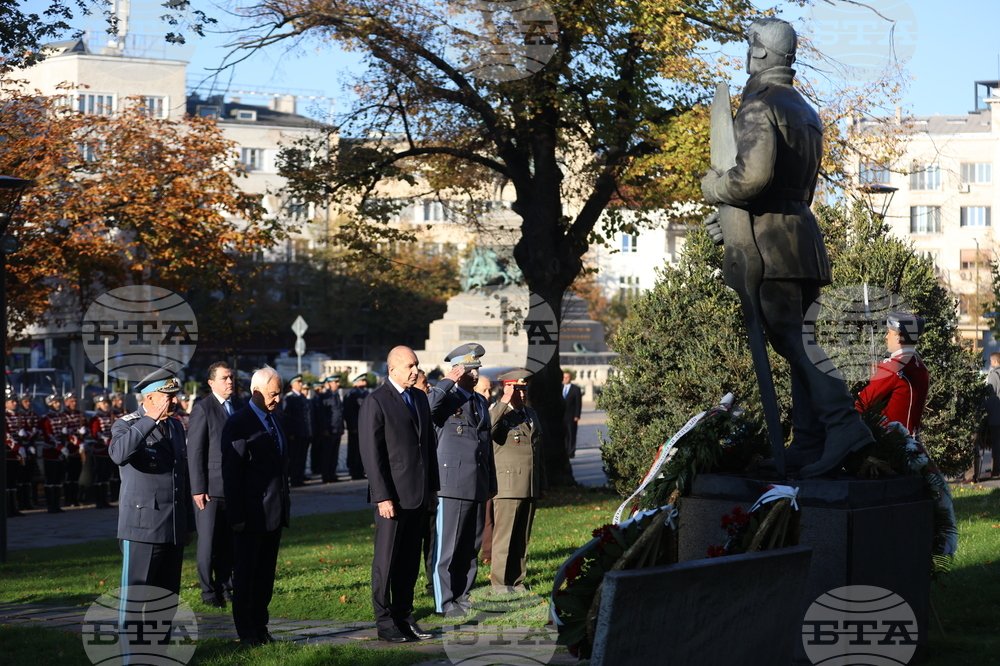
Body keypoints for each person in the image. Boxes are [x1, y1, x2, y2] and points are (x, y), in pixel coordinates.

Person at [700, 17, 873, 477]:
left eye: (748, 46)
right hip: (802, 238)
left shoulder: (759, 106)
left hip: (772, 245)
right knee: (804, 341)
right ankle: (812, 440)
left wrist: (717, 190)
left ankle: (843, 425)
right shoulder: (805, 109)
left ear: (758, 52)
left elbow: (753, 178)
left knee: (793, 341)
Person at [359, 346, 438, 643]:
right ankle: (384, 621)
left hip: (418, 495)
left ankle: (405, 617)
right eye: (409, 365)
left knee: (408, 562)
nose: (415, 370)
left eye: (416, 364)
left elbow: (427, 446)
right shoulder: (376, 402)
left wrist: (433, 488)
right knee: (387, 560)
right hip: (391, 498)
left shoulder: (418, 397)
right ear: (392, 369)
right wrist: (382, 496)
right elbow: (371, 454)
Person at [221, 366, 291, 647]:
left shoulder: (274, 420)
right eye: (273, 394)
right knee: (247, 576)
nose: (277, 400)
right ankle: (246, 631)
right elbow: (232, 472)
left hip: (273, 513)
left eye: (279, 394)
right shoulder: (239, 422)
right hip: (250, 514)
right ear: (256, 392)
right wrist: (236, 515)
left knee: (264, 577)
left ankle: (261, 626)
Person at [109, 370, 194, 599]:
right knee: (136, 598)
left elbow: (181, 476)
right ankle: (131, 637)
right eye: (168, 396)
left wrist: (188, 524)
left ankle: (160, 637)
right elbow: (118, 454)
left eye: (175, 395)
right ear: (149, 399)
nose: (174, 401)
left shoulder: (175, 426)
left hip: (172, 526)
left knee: (166, 599)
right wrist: (149, 420)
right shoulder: (126, 425)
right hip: (142, 528)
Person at [428, 343, 496, 617]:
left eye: (476, 367)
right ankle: (444, 602)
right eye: (469, 368)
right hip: (452, 483)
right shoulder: (446, 397)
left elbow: (485, 444)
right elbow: (429, 407)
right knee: (448, 549)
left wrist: (490, 483)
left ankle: (462, 595)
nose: (475, 372)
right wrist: (448, 381)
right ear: (458, 369)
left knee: (470, 546)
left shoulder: (479, 401)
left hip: (477, 483)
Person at [187, 361, 237, 608]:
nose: (230, 382)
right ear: (211, 382)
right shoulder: (203, 408)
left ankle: (226, 586)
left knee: (227, 542)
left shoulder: (234, 407)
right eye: (225, 378)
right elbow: (195, 451)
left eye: (231, 378)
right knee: (207, 543)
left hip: (230, 488)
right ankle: (208, 591)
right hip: (209, 490)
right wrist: (197, 488)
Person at [488, 369, 543, 593]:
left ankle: (517, 581)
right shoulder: (498, 412)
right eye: (517, 389)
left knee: (521, 538)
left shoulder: (530, 413)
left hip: (529, 484)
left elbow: (537, 448)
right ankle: (499, 585)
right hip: (508, 486)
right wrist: (503, 402)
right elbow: (488, 428)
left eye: (524, 389)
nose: (522, 394)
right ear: (507, 388)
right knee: (504, 539)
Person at [856, 313, 929, 436]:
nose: (886, 337)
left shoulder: (893, 367)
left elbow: (863, 403)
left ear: (898, 337)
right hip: (913, 442)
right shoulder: (920, 366)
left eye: (889, 332)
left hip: (892, 443)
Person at [282, 375, 312, 486]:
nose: (301, 384)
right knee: (295, 457)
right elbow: (286, 417)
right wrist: (290, 433)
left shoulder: (302, 397)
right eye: (298, 382)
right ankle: (295, 479)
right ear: (292, 384)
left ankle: (300, 476)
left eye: (301, 382)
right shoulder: (289, 398)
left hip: (304, 432)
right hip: (295, 433)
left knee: (302, 457)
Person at [39, 394, 67, 513]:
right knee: (50, 479)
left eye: (59, 402)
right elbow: (48, 435)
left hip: (60, 453)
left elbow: (64, 434)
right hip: (51, 452)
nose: (58, 404)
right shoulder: (46, 418)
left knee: (58, 479)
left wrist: (66, 438)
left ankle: (57, 504)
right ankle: (50, 505)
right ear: (50, 404)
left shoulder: (62, 417)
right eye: (55, 402)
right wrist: (60, 447)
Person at [314, 375, 345, 483]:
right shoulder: (325, 396)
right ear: (329, 383)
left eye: (337, 382)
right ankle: (326, 475)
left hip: (337, 429)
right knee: (327, 454)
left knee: (334, 454)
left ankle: (332, 474)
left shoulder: (337, 395)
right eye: (335, 382)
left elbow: (340, 413)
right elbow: (322, 415)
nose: (337, 384)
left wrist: (342, 427)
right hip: (329, 430)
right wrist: (325, 429)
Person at [87, 395, 116, 509]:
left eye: (107, 403)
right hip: (100, 450)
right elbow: (95, 433)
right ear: (98, 405)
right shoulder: (95, 418)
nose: (107, 405)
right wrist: (104, 439)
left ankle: (105, 500)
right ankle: (99, 500)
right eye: (104, 403)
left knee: (106, 476)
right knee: (99, 476)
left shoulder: (111, 417)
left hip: (109, 450)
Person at [61, 393, 87, 507]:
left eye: (75, 401)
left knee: (76, 476)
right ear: (66, 402)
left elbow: (87, 429)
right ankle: (68, 499)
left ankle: (75, 499)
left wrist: (85, 431)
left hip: (78, 450)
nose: (74, 403)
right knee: (68, 477)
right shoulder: (63, 415)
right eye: (71, 401)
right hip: (67, 449)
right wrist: (77, 440)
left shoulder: (80, 415)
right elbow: (64, 433)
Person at [344, 373, 370, 480]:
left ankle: (360, 470)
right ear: (357, 382)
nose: (365, 382)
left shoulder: (365, 393)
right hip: (355, 428)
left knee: (362, 450)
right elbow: (348, 412)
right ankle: (354, 471)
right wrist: (352, 426)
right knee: (354, 450)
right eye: (362, 380)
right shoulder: (352, 394)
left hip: (364, 427)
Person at [5, 388, 25, 516]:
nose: (15, 403)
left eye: (15, 401)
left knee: (13, 482)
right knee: (7, 483)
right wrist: (17, 448)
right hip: (7, 453)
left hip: (16, 454)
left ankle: (14, 508)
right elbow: (6, 436)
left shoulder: (18, 416)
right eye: (12, 401)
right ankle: (7, 509)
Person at [561, 371, 582, 458]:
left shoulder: (575, 389)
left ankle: (571, 452)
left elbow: (578, 403)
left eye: (567, 377)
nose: (565, 379)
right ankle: (564, 451)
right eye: (564, 377)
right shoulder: (559, 387)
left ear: (570, 378)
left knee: (571, 434)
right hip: (561, 416)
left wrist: (577, 415)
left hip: (571, 416)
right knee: (563, 435)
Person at [985, 353, 1000, 479]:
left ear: (995, 361)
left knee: (996, 443)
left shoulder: (994, 375)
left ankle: (996, 470)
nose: (990, 363)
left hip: (996, 415)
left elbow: (990, 395)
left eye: (991, 361)